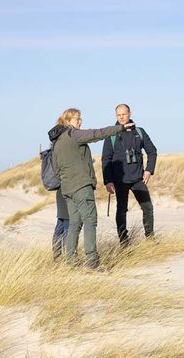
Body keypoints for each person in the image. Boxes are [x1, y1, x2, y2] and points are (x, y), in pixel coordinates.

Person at [48, 108, 130, 268]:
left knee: (74, 224)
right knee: (90, 220)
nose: (80, 121)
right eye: (77, 119)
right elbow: (96, 134)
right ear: (68, 120)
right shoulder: (73, 134)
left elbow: (56, 168)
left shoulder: (56, 142)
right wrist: (119, 128)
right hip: (81, 186)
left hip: (67, 189)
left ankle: (70, 261)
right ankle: (92, 261)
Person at [101, 104, 157, 245]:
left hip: (138, 178)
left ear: (129, 113)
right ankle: (124, 242)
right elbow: (106, 159)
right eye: (118, 115)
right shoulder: (111, 135)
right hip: (120, 180)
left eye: (124, 114)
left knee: (148, 208)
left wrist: (149, 170)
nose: (121, 117)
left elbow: (152, 151)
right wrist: (108, 181)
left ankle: (150, 238)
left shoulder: (139, 132)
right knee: (121, 210)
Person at [51, 189, 69, 258]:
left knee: (60, 226)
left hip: (61, 195)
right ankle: (68, 256)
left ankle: (57, 255)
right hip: (68, 195)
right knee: (67, 229)